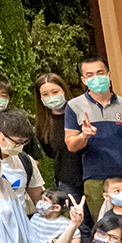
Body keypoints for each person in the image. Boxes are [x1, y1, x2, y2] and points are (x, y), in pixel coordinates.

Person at [64, 55, 122, 216]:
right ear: (83, 80)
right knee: (104, 226)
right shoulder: (74, 106)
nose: (96, 78)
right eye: (90, 75)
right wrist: (84, 136)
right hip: (95, 180)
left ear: (109, 74)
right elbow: (71, 145)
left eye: (100, 73)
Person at [33, 72, 83, 201]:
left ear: (63, 91)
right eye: (45, 94)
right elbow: (50, 152)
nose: (51, 97)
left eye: (55, 92)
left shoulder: (81, 112)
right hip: (67, 182)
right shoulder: (42, 124)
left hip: (92, 177)